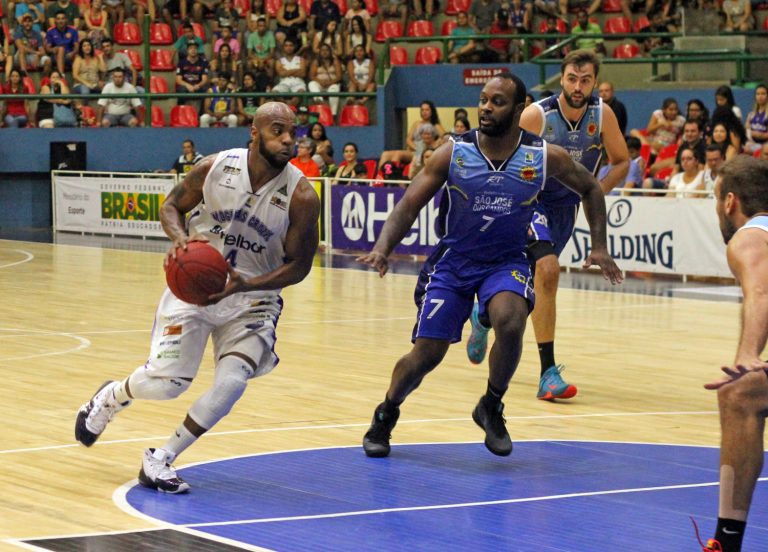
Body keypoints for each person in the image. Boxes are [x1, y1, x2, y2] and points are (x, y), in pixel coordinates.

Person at [359, 72, 622, 459]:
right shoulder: (454, 152)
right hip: (454, 262)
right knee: (427, 354)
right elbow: (409, 203)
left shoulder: (542, 156)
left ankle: (491, 405)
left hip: (507, 260)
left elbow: (590, 187)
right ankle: (387, 411)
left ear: (518, 109)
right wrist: (383, 248)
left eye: (497, 102)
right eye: (483, 99)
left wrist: (599, 245)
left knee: (511, 321)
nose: (485, 107)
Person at [75, 102, 320, 493]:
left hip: (253, 299)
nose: (289, 140)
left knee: (232, 382)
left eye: (293, 132)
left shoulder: (302, 196)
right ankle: (113, 396)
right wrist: (180, 239)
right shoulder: (215, 168)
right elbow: (171, 205)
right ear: (254, 133)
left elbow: (300, 266)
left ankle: (161, 458)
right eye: (278, 131)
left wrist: (247, 285)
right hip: (195, 287)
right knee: (167, 385)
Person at [466, 49, 629, 400]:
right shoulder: (537, 115)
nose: (578, 86)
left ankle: (483, 316)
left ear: (595, 82)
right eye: (572, 78)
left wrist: (594, 192)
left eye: (585, 80)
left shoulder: (603, 115)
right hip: (531, 203)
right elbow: (499, 149)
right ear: (562, 79)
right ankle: (548, 372)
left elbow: (621, 161)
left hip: (565, 209)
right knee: (548, 269)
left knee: (531, 284)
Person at [699, 156, 768, 552]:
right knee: (745, 389)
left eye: (714, 198)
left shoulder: (750, 236)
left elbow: (760, 291)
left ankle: (727, 542)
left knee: (739, 395)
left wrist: (747, 354)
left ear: (729, 202)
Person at [744, 84, 768, 154]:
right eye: (758, 94)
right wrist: (750, 137)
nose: (760, 96)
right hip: (752, 143)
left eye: (763, 94)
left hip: (765, 145)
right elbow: (747, 131)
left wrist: (757, 134)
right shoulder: (751, 114)